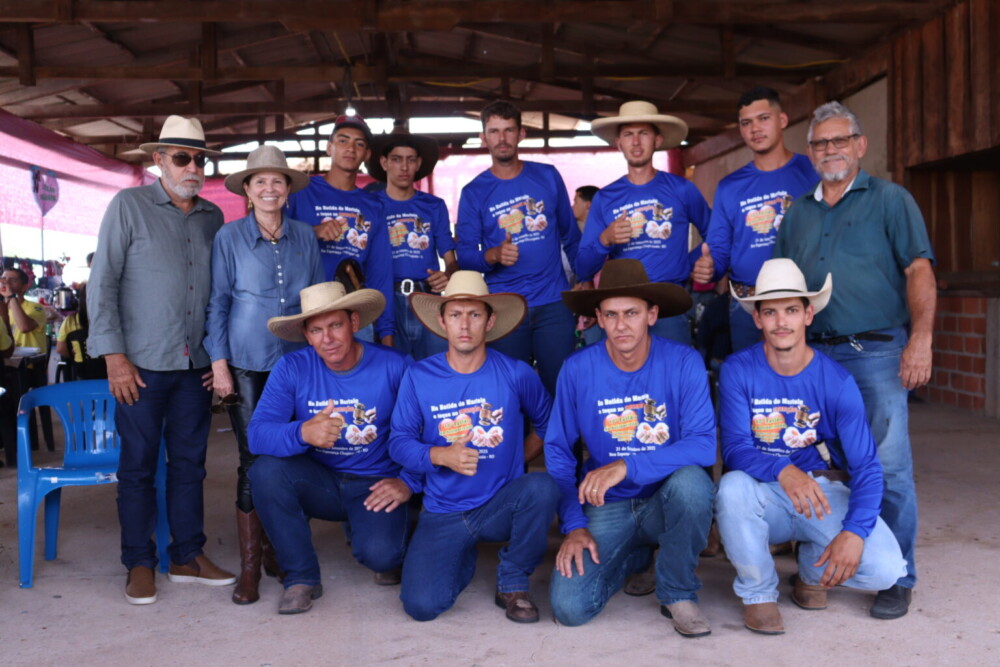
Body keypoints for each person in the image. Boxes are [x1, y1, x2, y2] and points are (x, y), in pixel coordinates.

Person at [773, 101, 935, 620]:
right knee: (812, 460)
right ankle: (816, 566)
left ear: (860, 146)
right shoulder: (797, 213)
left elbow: (918, 271)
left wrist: (922, 339)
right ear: (810, 152)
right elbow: (785, 289)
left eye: (840, 140)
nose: (831, 151)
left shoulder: (891, 199)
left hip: (878, 352)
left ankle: (898, 575)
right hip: (813, 357)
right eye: (821, 143)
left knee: (886, 465)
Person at [87, 115, 235, 605]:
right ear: (158, 162)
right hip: (141, 366)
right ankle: (139, 561)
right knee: (138, 467)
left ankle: (187, 554)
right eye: (182, 157)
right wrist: (114, 357)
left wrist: (217, 360)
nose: (193, 166)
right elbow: (102, 282)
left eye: (199, 158)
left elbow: (218, 295)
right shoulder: (128, 206)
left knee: (190, 465)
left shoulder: (213, 216)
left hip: (194, 365)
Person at [715, 258, 907, 634]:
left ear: (808, 315)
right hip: (763, 493)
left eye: (791, 310)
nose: (781, 322)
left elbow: (867, 466)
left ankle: (810, 572)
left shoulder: (835, 380)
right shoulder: (739, 369)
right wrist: (784, 471)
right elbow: (736, 449)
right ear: (757, 319)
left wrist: (854, 531)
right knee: (731, 488)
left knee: (884, 571)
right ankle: (759, 596)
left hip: (821, 491)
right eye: (770, 312)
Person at [545, 259, 716, 636]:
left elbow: (704, 447)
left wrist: (627, 465)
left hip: (666, 499)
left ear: (652, 314)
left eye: (632, 313)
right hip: (608, 504)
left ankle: (677, 591)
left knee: (692, 484)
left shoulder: (683, 362)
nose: (621, 325)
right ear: (598, 319)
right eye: (611, 315)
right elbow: (558, 451)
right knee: (569, 608)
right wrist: (573, 524)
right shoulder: (577, 369)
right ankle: (637, 556)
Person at [389, 271, 560, 623]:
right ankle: (460, 554)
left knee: (542, 487)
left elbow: (549, 425)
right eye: (455, 314)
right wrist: (439, 455)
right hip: (443, 510)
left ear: (490, 321)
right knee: (421, 606)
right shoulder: (419, 376)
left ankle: (513, 579)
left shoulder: (516, 373)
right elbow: (399, 443)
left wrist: (519, 458)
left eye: (475, 314)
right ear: (442, 321)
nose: (464, 325)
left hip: (500, 504)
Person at [247, 281, 416, 615]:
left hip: (376, 482)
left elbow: (427, 432)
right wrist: (302, 432)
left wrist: (409, 481)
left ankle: (371, 529)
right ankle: (300, 577)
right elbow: (257, 435)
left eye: (336, 325)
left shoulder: (396, 366)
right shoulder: (293, 368)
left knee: (383, 557)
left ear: (354, 323)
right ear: (307, 336)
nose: (328, 339)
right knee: (264, 471)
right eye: (317, 330)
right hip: (320, 480)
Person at [204, 144, 324, 605]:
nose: (270, 188)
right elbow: (218, 302)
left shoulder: (305, 237)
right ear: (248, 192)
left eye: (278, 181)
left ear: (288, 190)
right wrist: (219, 364)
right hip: (247, 361)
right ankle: (251, 569)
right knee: (254, 457)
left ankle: (282, 552)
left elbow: (317, 301)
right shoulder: (229, 238)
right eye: (261, 182)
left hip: (298, 362)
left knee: (300, 453)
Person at [455, 100, 581, 396]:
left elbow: (571, 236)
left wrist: (585, 284)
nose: (502, 138)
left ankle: (563, 446)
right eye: (495, 132)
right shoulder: (474, 192)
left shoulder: (548, 176)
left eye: (509, 130)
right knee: (510, 394)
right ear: (484, 138)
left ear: (521, 134)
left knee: (562, 391)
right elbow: (465, 256)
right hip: (505, 308)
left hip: (553, 303)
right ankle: (519, 445)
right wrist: (493, 255)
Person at [690, 87, 818, 352]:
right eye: (746, 123)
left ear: (782, 120)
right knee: (752, 384)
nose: (755, 129)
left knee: (805, 385)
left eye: (763, 119)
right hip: (748, 305)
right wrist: (709, 268)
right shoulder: (729, 186)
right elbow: (719, 251)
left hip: (802, 302)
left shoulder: (813, 171)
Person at [577, 101, 710, 345]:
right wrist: (605, 239)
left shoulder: (682, 189)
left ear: (657, 140)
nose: (636, 142)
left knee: (672, 379)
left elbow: (715, 235)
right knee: (626, 381)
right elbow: (583, 267)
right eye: (628, 134)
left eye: (643, 134)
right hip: (623, 308)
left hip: (670, 304)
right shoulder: (605, 198)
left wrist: (689, 262)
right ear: (619, 143)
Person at [286, 114, 394, 345]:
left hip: (354, 320)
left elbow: (380, 272)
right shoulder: (300, 191)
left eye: (360, 144)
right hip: (303, 315)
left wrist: (386, 335)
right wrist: (312, 232)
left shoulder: (374, 206)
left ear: (367, 155)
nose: (351, 148)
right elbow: (271, 241)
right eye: (343, 140)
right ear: (329, 148)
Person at [365, 127, 457, 359]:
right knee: (393, 373)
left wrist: (448, 275)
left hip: (427, 298)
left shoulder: (434, 206)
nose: (404, 167)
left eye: (410, 160)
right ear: (384, 162)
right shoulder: (370, 204)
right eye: (396, 159)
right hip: (385, 300)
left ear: (418, 164)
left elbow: (451, 260)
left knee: (434, 370)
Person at [1, 268, 47, 352]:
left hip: (29, 361)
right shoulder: (1, 308)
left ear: (24, 287)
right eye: (3, 279)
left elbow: (24, 327)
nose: (6, 283)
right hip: (6, 359)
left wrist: (11, 296)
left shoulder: (36, 307)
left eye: (13, 280)